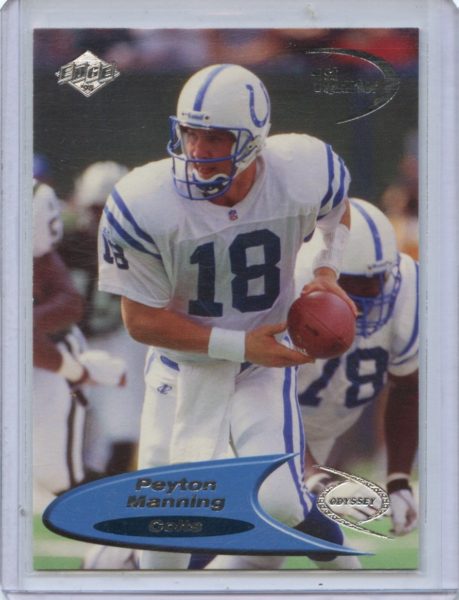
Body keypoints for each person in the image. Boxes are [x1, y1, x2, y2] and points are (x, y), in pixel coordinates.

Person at [98, 63, 359, 570]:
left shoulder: (301, 170)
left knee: (281, 502)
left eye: (215, 136)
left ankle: (353, 572)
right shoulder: (146, 201)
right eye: (190, 133)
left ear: (254, 139)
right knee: (161, 551)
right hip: (182, 369)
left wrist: (326, 270)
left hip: (261, 368)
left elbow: (337, 209)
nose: (198, 150)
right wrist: (239, 344)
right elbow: (142, 322)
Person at [295, 198, 419, 536]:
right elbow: (263, 401)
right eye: (355, 282)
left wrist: (398, 480)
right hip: (257, 425)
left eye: (377, 279)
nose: (370, 294)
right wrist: (312, 475)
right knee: (280, 513)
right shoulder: (287, 287)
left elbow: (407, 385)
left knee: (270, 552)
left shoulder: (407, 284)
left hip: (322, 430)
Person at [33, 178, 127, 502]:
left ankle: (118, 510)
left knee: (57, 474)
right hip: (50, 356)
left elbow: (68, 305)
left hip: (53, 355)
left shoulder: (42, 257)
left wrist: (75, 370)